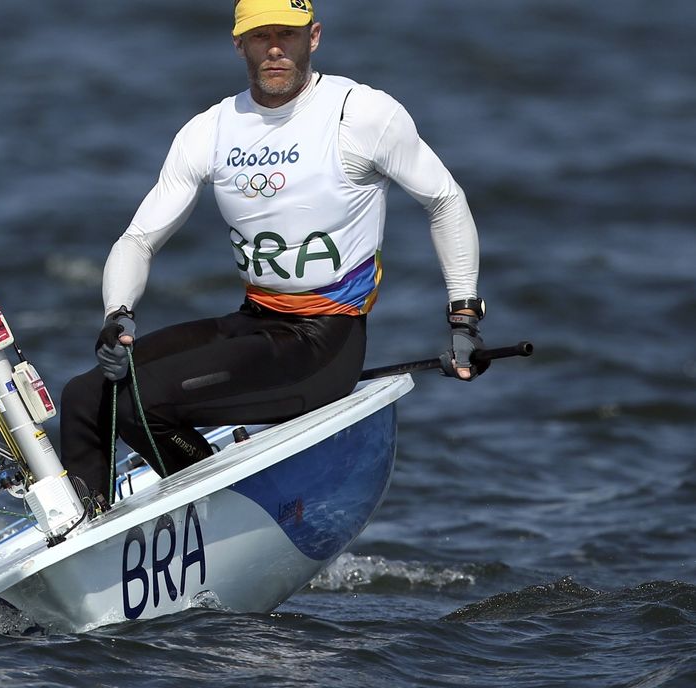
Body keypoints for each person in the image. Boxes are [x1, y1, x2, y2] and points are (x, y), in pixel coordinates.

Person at [60, 0, 486, 505]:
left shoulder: (362, 115)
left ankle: (241, 511)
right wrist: (117, 315)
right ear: (239, 44)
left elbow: (445, 200)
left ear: (316, 37)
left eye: (289, 33)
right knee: (85, 397)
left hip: (324, 342)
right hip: (256, 321)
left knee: (141, 405)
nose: (276, 48)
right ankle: (86, 528)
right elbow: (138, 239)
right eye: (261, 37)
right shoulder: (212, 129)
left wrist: (464, 319)